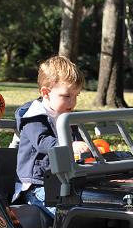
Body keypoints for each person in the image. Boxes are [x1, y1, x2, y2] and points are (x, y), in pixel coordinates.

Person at [14, 56, 90, 218]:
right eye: (67, 96)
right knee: (69, 215)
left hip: (64, 181)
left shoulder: (66, 115)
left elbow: (77, 141)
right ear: (45, 92)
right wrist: (70, 146)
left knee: (92, 203)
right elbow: (42, 142)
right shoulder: (34, 115)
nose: (73, 102)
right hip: (38, 185)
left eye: (77, 95)